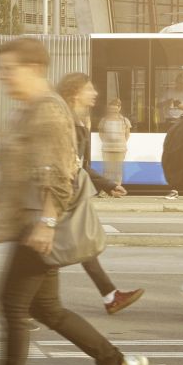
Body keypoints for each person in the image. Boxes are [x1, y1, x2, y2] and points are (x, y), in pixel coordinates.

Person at [0, 38, 148, 365]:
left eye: (9, 69)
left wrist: (47, 222)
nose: (3, 76)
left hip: (38, 225)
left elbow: (62, 176)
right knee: (48, 309)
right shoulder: (25, 111)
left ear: (33, 68)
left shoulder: (48, 111)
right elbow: (13, 172)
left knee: (11, 304)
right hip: (28, 223)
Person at [58, 74, 144, 316]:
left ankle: (110, 295)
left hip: (67, 196)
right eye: (90, 89)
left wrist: (107, 185)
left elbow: (81, 165)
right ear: (75, 93)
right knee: (48, 251)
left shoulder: (78, 122)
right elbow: (62, 165)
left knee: (77, 246)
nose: (95, 93)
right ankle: (26, 305)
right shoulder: (64, 122)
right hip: (58, 197)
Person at [98, 97, 132, 190]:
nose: (113, 109)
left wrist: (120, 143)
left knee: (117, 171)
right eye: (111, 107)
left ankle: (117, 189)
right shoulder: (103, 120)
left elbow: (127, 135)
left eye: (115, 107)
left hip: (120, 150)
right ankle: (106, 189)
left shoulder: (125, 120)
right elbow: (101, 134)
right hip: (107, 149)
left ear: (119, 108)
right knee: (107, 170)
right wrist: (107, 142)